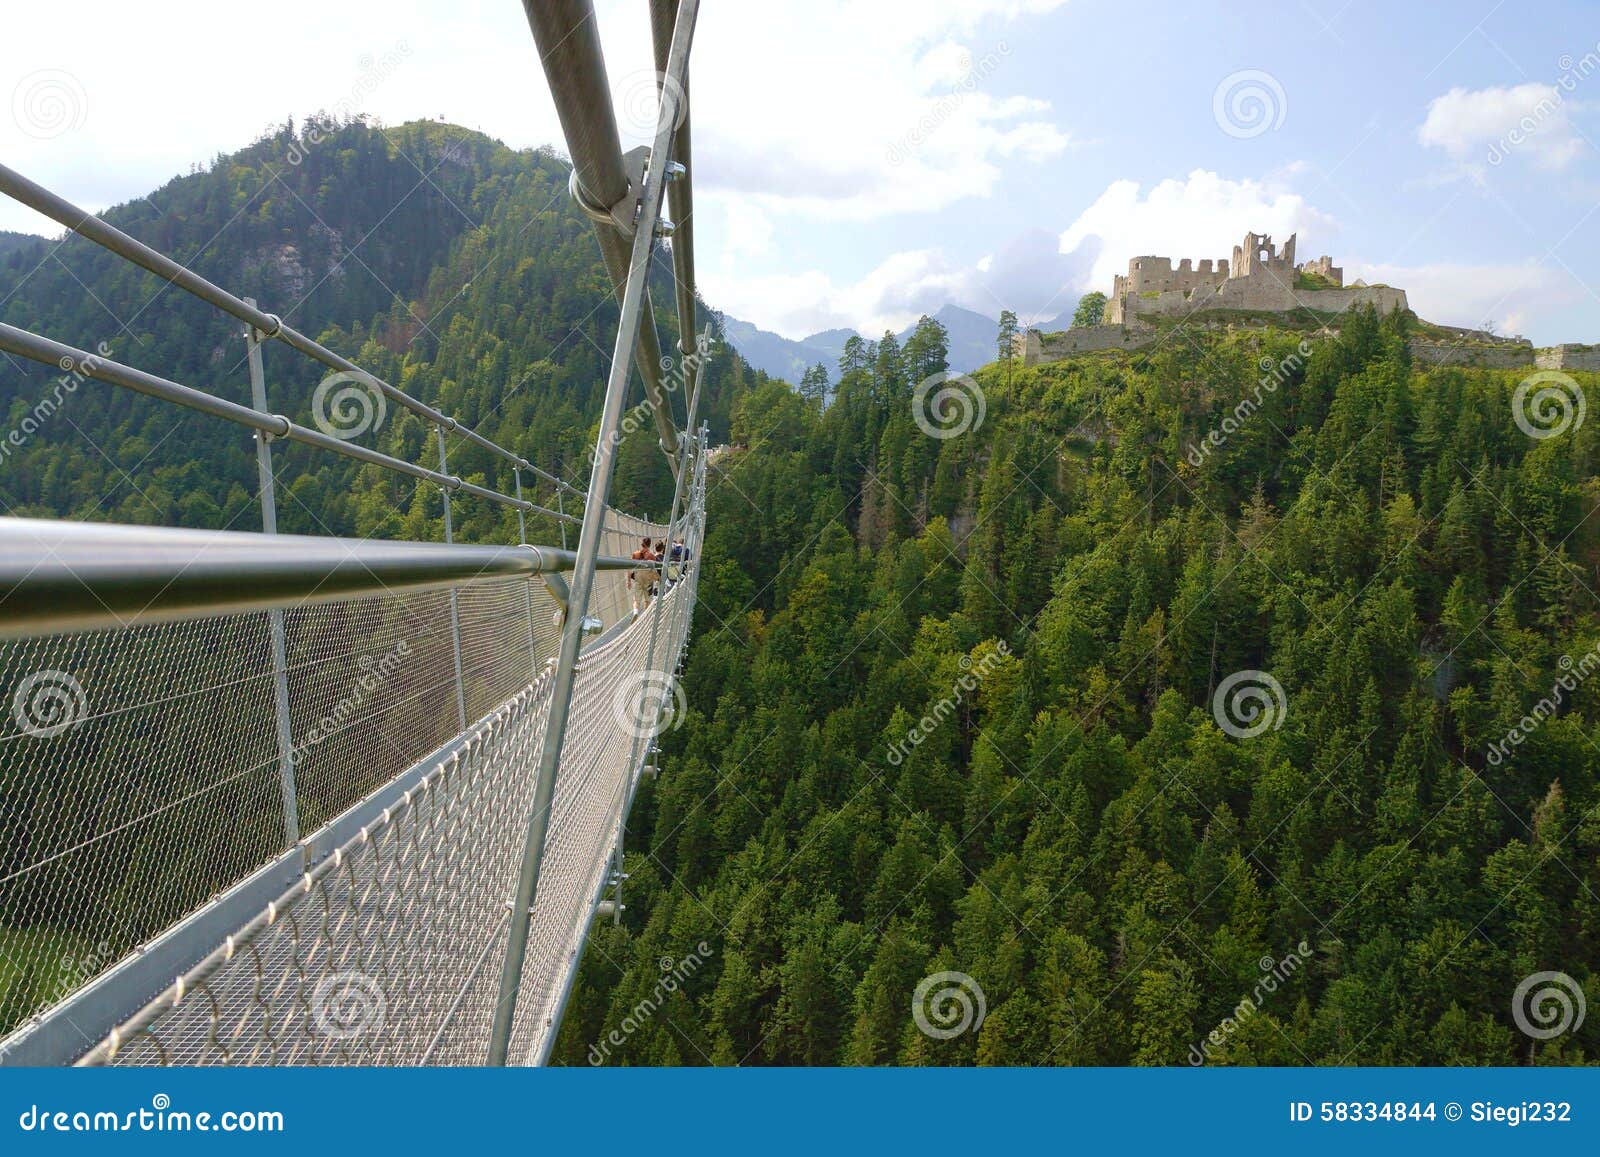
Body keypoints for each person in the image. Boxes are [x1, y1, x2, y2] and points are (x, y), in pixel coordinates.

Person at [628, 536, 654, 615]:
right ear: (649, 545)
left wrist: (629, 581)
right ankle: (645, 616)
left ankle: (635, 612)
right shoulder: (652, 556)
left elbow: (629, 567)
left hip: (638, 578)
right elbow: (653, 570)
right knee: (647, 600)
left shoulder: (635, 554)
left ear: (642, 544)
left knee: (636, 600)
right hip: (648, 581)